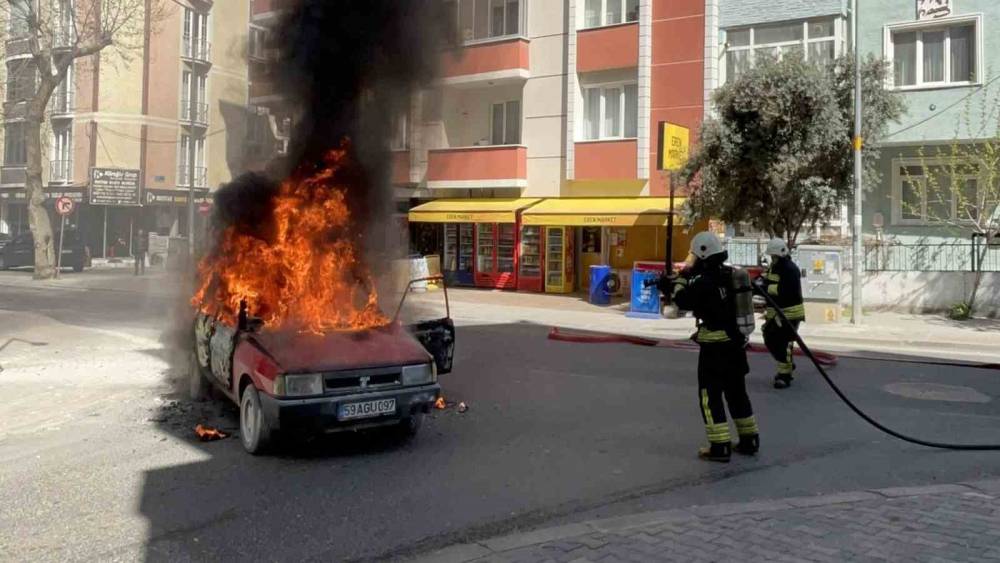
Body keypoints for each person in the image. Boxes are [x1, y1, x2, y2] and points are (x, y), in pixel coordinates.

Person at [666, 231, 759, 462]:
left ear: (703, 254)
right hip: (736, 346)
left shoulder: (704, 282)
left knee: (710, 396)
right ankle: (749, 440)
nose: (692, 260)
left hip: (715, 351)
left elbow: (683, 301)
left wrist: (678, 283)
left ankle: (719, 447)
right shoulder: (730, 275)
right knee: (737, 393)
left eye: (694, 255)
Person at [759, 237, 805, 389]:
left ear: (779, 254)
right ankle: (787, 365)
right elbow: (770, 281)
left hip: (789, 313)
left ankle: (784, 376)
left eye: (773, 256)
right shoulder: (776, 266)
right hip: (777, 313)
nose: (772, 258)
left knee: (783, 343)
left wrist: (764, 288)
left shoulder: (790, 269)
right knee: (770, 338)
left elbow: (786, 291)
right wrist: (761, 281)